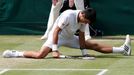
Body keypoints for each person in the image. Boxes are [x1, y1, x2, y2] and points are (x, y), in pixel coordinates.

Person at [2, 8, 131, 59]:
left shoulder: (83, 20)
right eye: (86, 21)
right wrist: (54, 50)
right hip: (56, 36)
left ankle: (122, 49)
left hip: (69, 37)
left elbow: (81, 36)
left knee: (93, 45)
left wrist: (84, 53)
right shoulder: (68, 15)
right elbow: (56, 31)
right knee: (40, 55)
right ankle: (15, 53)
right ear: (82, 15)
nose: (86, 23)